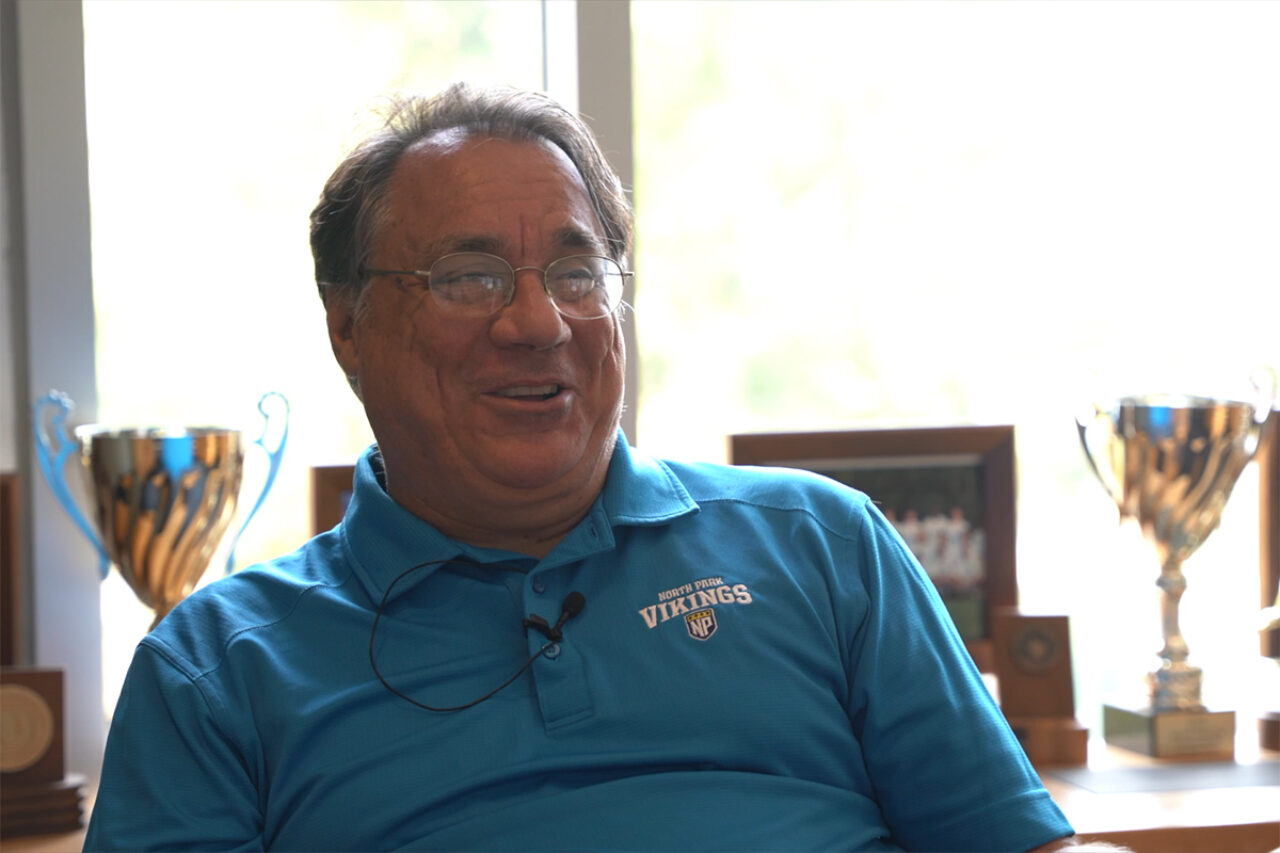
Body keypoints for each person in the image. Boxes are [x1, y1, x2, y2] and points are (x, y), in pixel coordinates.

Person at [85, 83, 1092, 852]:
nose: (537, 322)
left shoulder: (823, 546)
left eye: (577, 273)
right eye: (468, 277)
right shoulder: (216, 670)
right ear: (348, 326)